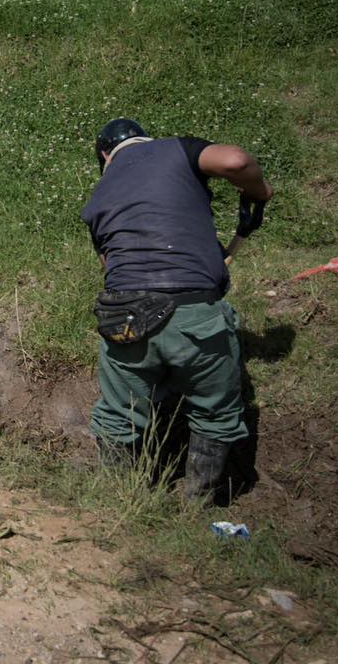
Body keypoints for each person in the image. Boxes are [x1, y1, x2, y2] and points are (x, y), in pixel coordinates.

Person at [81, 118, 273, 504]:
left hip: (125, 317)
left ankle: (113, 503)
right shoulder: (176, 150)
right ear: (144, 139)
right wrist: (261, 191)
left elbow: (112, 267)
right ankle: (197, 506)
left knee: (120, 414)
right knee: (215, 414)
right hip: (193, 315)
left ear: (104, 156)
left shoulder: (98, 197)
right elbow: (235, 161)